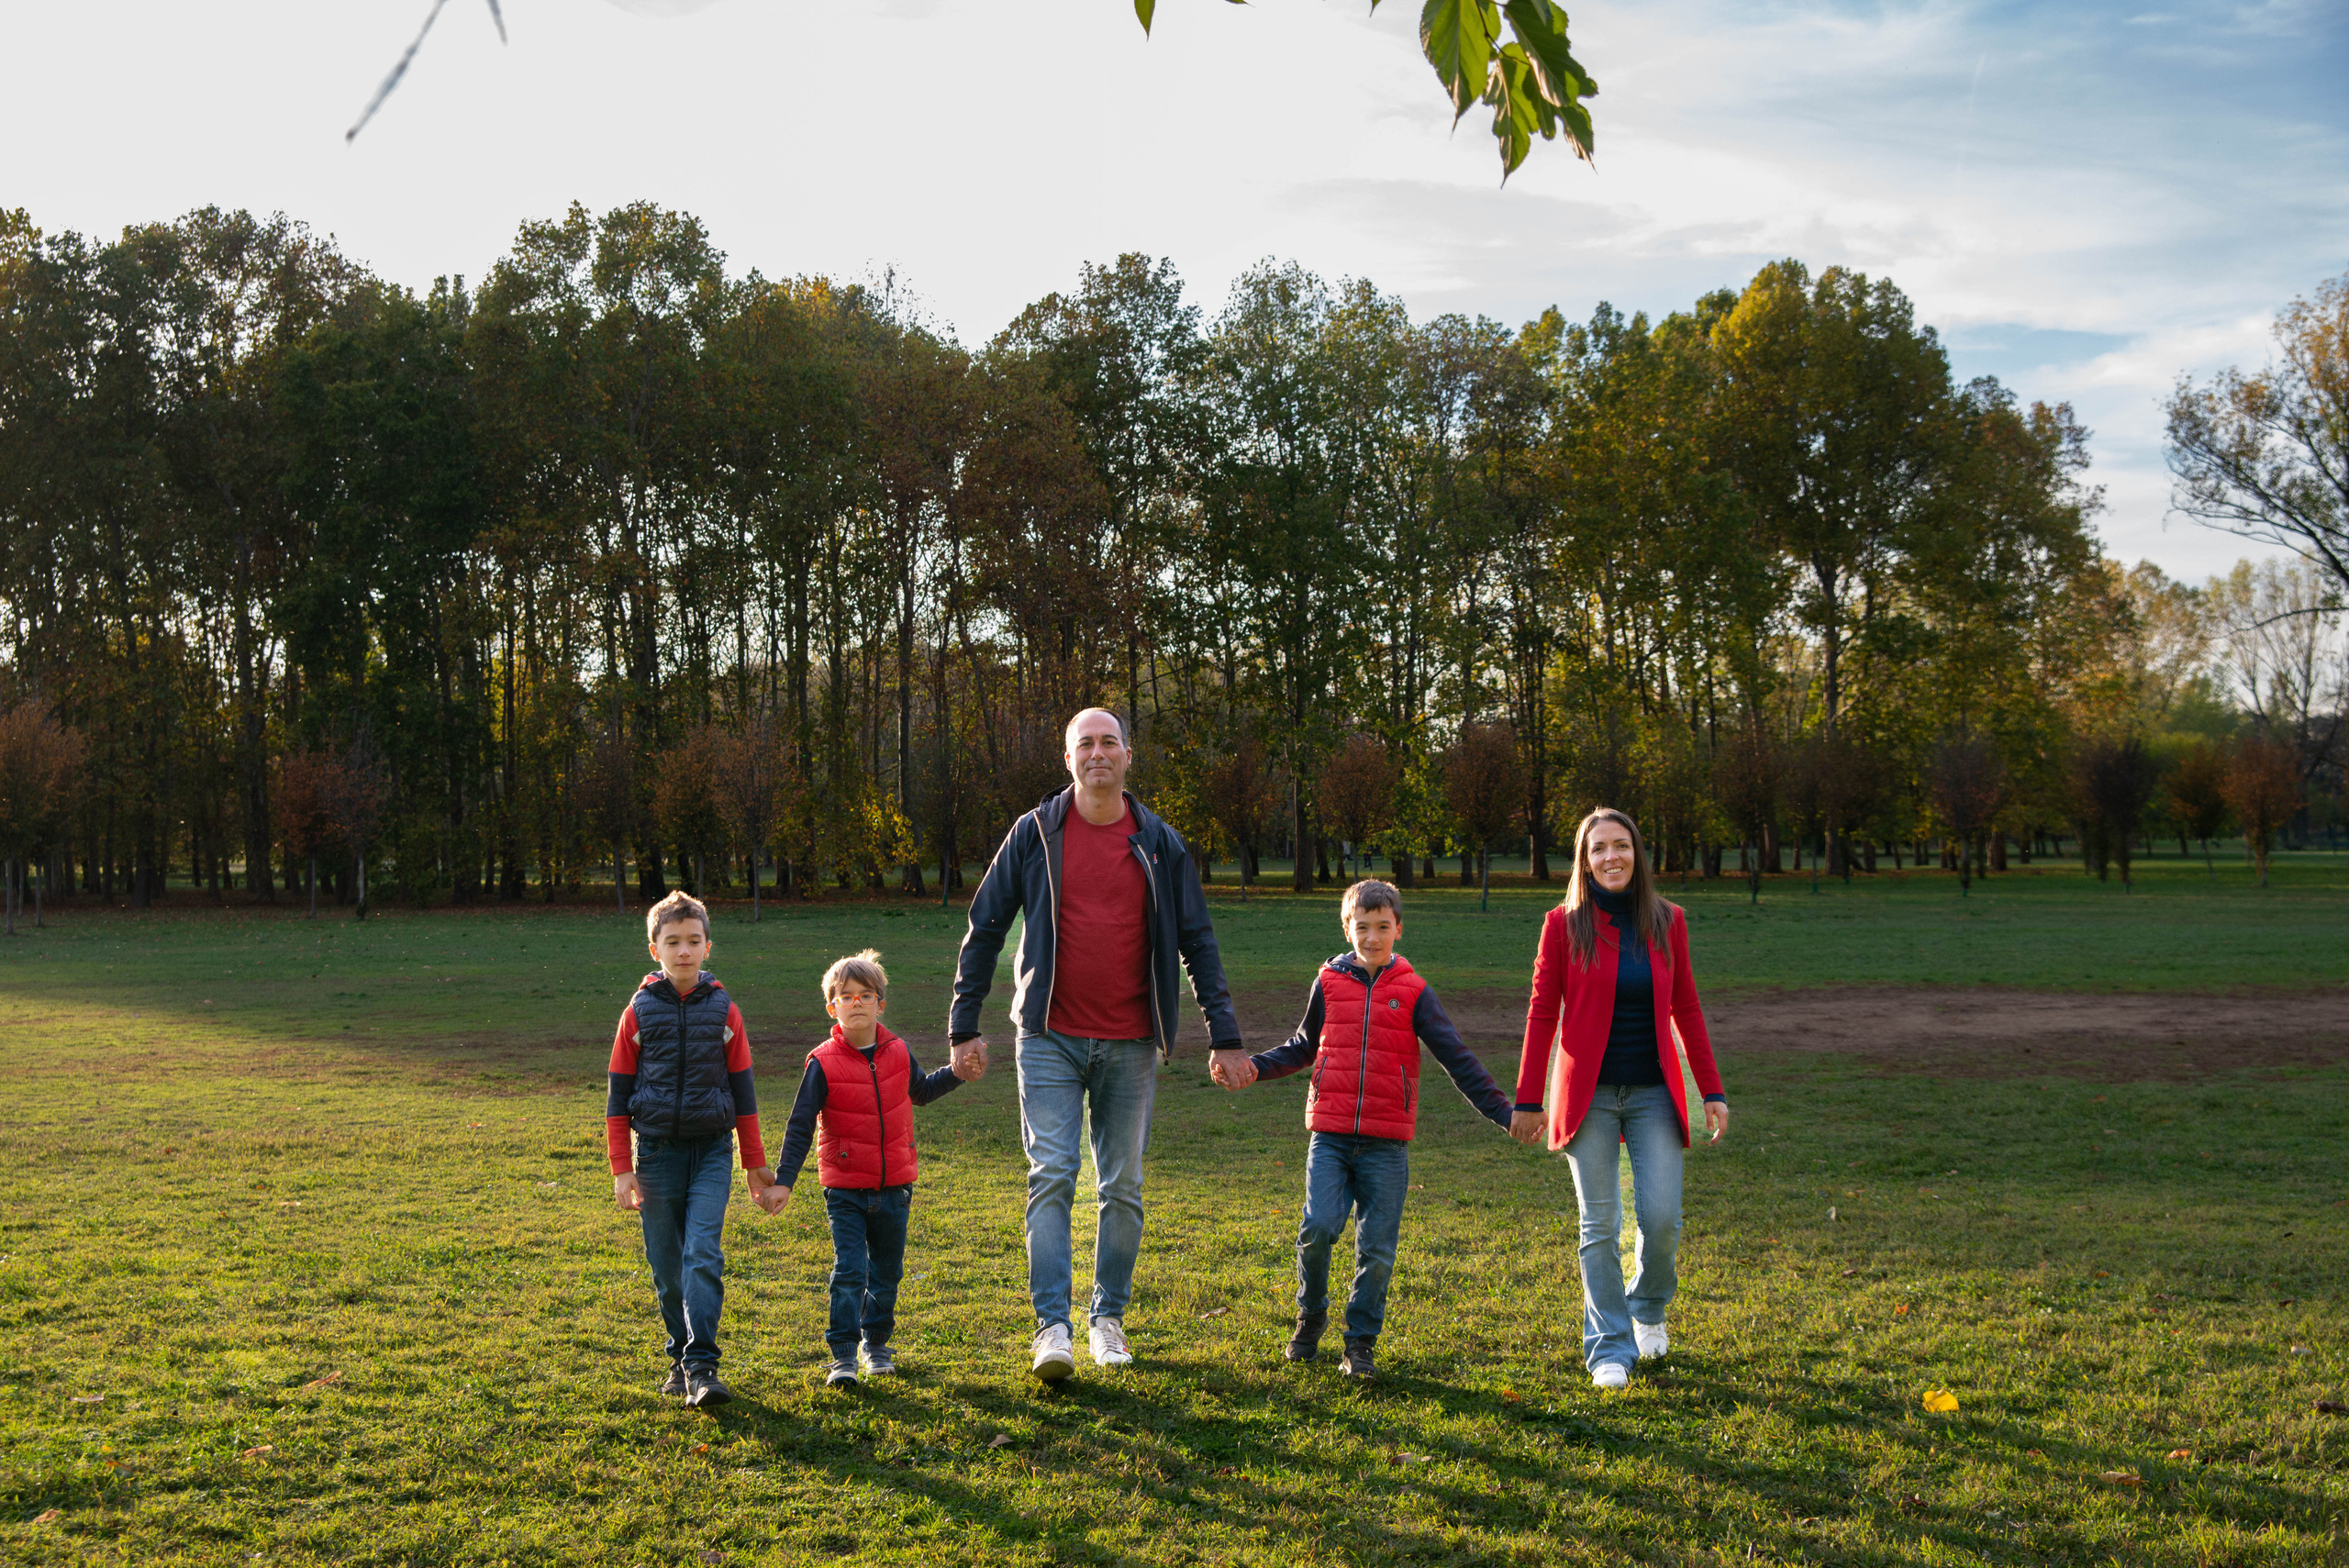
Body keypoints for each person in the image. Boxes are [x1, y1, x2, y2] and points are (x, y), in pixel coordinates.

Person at [950, 706, 1248, 1382]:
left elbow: (1198, 940)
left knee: (1124, 1186)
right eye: (1084, 743)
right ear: (1068, 759)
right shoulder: (1034, 834)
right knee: (1052, 1174)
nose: (1097, 753)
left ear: (1128, 754)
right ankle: (1051, 1327)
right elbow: (985, 927)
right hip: (1048, 1036)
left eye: (1108, 741)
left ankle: (1106, 1317)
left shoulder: (1159, 842)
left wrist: (1225, 1035)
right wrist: (963, 1023)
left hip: (1132, 1040)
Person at [1237, 879, 1517, 1381]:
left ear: (1398, 931)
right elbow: (1303, 1046)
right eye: (1362, 927)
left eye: (1382, 927)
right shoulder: (1327, 983)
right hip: (1331, 1135)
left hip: (1387, 1144)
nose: (1372, 936)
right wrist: (1254, 1067)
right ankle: (1310, 1316)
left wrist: (1504, 1113)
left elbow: (1457, 1057)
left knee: (1378, 1249)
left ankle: (1360, 1342)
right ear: (1347, 928)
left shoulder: (1414, 992)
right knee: (1318, 1228)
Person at [1510, 807, 1729, 1390]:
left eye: (1621, 846)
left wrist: (1711, 1088)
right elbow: (1541, 1014)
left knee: (1660, 1218)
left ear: (1638, 853)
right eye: (1599, 848)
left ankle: (1649, 1309)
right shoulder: (1562, 925)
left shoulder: (1667, 921)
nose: (1612, 857)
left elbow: (1686, 1007)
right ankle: (1608, 1345)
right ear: (1584, 860)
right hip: (1589, 1097)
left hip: (1656, 1091)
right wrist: (1529, 1098)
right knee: (1599, 1223)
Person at [767, 949, 978, 1387]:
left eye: (867, 995)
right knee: (849, 1271)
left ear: (881, 1003)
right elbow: (801, 1124)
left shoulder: (898, 1050)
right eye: (847, 996)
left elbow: (920, 1091)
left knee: (886, 1272)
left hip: (895, 1187)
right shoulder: (821, 1062)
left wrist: (957, 1072)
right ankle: (843, 1354)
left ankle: (876, 1344)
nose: (857, 1002)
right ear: (833, 1007)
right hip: (845, 1188)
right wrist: (784, 1180)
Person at [606, 890, 778, 1408]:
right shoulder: (636, 1013)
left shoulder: (726, 1011)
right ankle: (679, 1355)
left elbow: (744, 1094)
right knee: (666, 1266)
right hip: (655, 1156)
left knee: (702, 1253)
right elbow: (617, 1096)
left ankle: (703, 1365)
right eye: (673, 941)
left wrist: (754, 1163)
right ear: (654, 949)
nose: (684, 951)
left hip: (711, 1153)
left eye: (694, 941)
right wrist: (622, 1168)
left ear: (708, 948)